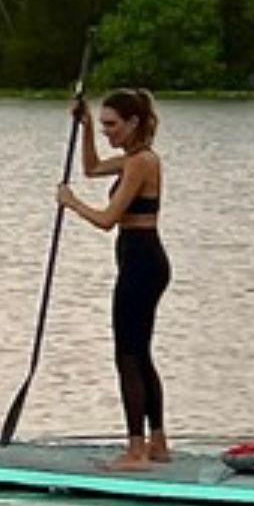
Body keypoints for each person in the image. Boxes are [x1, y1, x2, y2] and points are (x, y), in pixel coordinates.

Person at [57, 87, 172, 470]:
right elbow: (90, 168)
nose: (108, 132)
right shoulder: (132, 159)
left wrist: (71, 203)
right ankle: (157, 443)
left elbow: (107, 220)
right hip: (142, 261)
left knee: (127, 356)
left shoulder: (140, 163)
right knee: (140, 353)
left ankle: (136, 452)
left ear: (133, 123)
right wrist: (86, 126)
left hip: (142, 263)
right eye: (103, 124)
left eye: (111, 125)